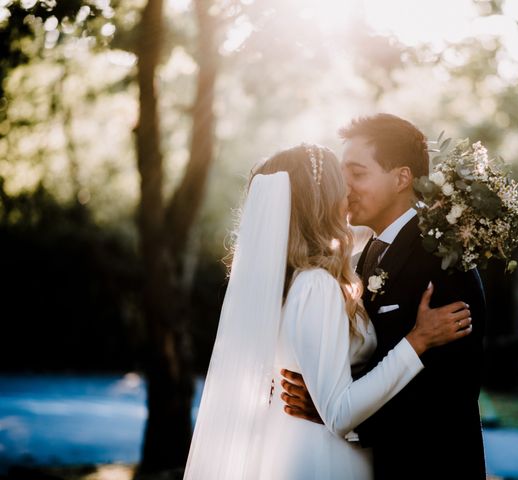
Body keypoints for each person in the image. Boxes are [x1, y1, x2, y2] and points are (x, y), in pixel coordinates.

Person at [183, 143, 473, 479]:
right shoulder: (316, 285)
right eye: (341, 181)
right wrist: (417, 341)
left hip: (301, 446)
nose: (349, 190)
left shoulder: (293, 279)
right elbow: (338, 412)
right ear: (320, 200)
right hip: (325, 459)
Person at [281, 114, 488, 479]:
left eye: (357, 173)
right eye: (342, 174)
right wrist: (331, 404)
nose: (344, 187)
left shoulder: (443, 261)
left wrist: (344, 421)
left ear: (401, 178)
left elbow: (446, 393)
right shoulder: (363, 259)